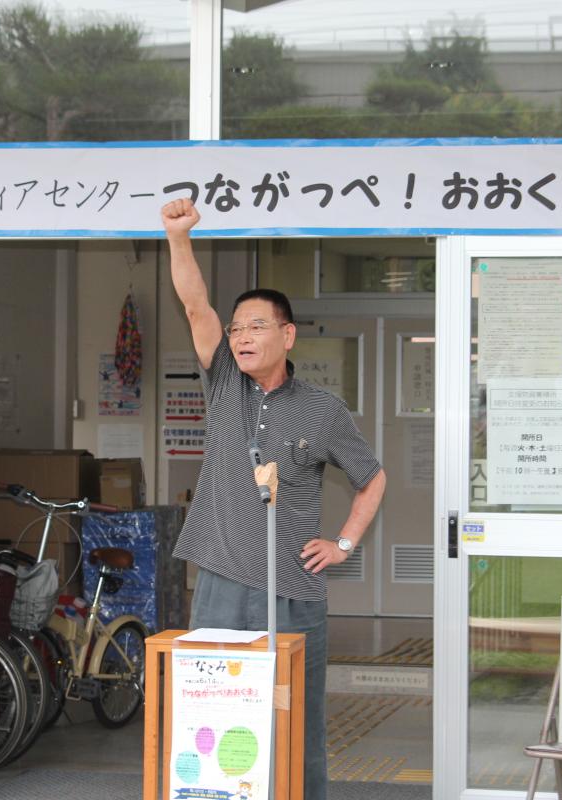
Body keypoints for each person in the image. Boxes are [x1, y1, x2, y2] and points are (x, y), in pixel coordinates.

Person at [160, 197, 387, 800]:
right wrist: (178, 237)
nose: (240, 337)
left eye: (255, 326)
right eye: (236, 329)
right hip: (222, 582)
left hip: (295, 589)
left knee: (295, 720)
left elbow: (372, 477)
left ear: (287, 335)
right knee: (212, 718)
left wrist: (343, 543)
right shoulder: (225, 383)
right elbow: (193, 303)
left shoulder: (322, 409)